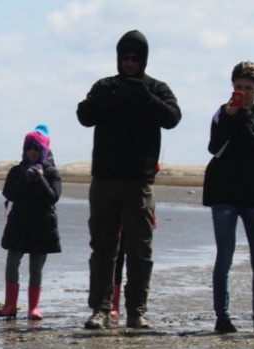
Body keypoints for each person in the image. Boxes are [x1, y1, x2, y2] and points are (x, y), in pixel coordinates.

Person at [76, 30, 181, 330]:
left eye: (136, 58)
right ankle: (100, 308)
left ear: (143, 60)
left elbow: (173, 117)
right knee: (103, 247)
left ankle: (137, 310)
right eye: (126, 58)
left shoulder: (155, 89)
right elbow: (84, 115)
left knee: (140, 248)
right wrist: (106, 97)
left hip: (139, 181)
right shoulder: (105, 86)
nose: (130, 63)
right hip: (105, 179)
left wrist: (145, 98)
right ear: (118, 58)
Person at [202, 61, 254, 334]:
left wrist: (242, 118)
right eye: (238, 87)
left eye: (248, 88)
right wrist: (230, 117)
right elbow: (215, 148)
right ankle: (222, 318)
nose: (242, 92)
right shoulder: (222, 113)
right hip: (224, 192)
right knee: (224, 257)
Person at [0, 125, 62, 321]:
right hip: (18, 225)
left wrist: (39, 180)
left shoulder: (51, 173)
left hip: (42, 226)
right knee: (12, 263)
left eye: (36, 148)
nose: (32, 152)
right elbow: (9, 193)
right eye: (29, 148)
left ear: (43, 150)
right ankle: (9, 306)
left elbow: (52, 197)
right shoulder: (16, 171)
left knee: (36, 269)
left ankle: (34, 308)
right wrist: (25, 179)